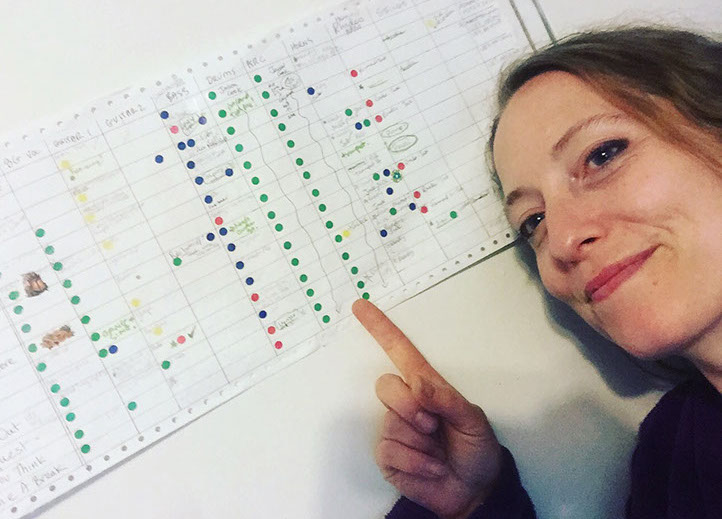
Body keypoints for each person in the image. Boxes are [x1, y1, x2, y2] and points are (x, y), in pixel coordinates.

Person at [352, 26, 722, 519]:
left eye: (602, 155)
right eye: (534, 221)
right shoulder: (671, 459)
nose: (563, 239)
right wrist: (474, 506)